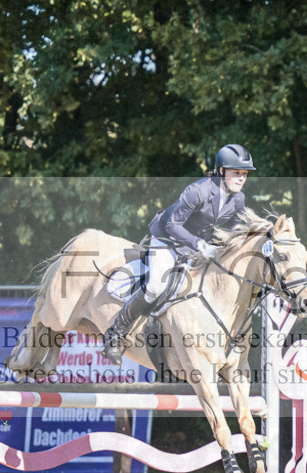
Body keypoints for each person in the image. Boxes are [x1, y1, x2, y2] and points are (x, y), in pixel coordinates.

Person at [102, 143, 256, 365]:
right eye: (237, 172)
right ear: (221, 170)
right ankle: (115, 336)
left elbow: (234, 232)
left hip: (196, 246)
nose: (242, 178)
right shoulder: (198, 191)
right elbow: (174, 226)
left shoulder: (238, 199)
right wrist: (200, 245)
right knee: (156, 286)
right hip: (167, 240)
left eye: (244, 174)